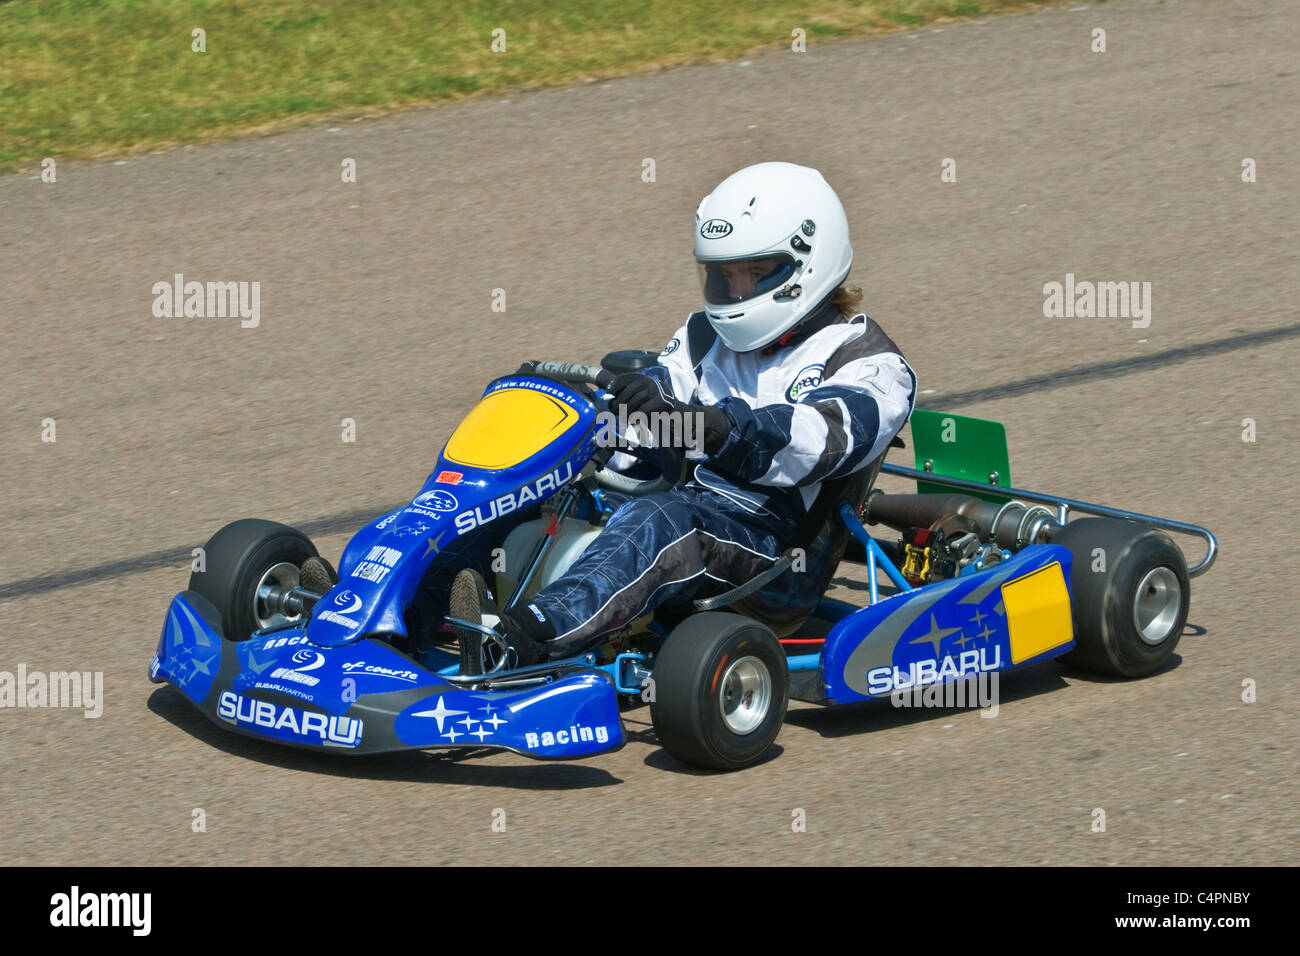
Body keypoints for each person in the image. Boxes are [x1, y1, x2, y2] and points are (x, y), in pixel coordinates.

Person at [451, 161, 918, 671]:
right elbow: (659, 404)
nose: (736, 291)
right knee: (530, 488)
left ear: (805, 264)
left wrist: (721, 426)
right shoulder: (703, 338)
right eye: (723, 275)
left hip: (773, 554)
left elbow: (818, 441)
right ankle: (401, 616)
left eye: (756, 274)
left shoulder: (869, 362)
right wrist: (595, 417)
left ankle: (520, 643)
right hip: (682, 504)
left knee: (667, 521)